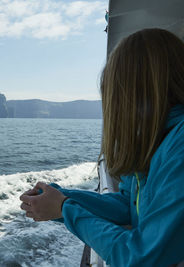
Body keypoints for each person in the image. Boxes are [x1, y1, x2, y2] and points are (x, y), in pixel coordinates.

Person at [20, 28, 184, 267]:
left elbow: (140, 257)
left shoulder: (178, 146)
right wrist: (62, 197)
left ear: (139, 91)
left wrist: (66, 209)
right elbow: (128, 206)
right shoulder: (157, 139)